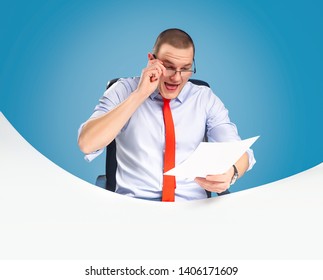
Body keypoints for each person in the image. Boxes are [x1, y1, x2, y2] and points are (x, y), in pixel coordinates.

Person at [78, 28, 256, 201]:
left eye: (185, 68)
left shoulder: (204, 98)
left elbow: (239, 152)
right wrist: (139, 95)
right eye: (169, 67)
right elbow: (87, 144)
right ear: (151, 60)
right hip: (135, 209)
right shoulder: (123, 91)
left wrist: (232, 171)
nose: (177, 78)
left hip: (192, 209)